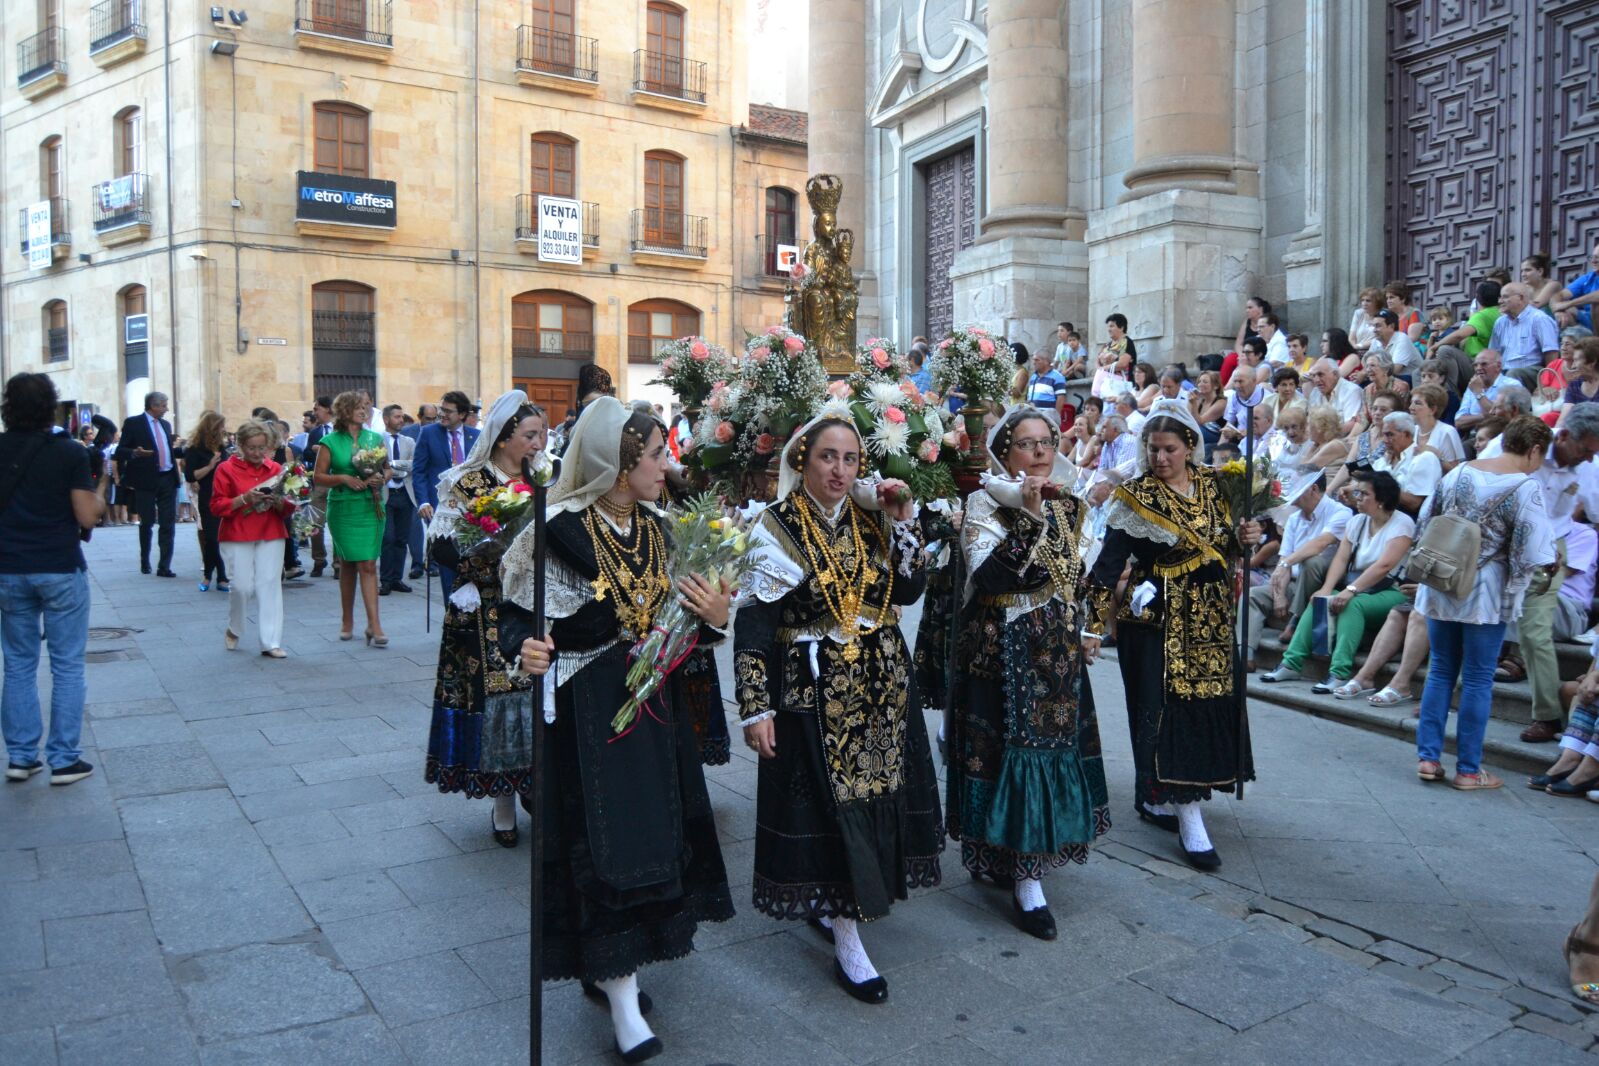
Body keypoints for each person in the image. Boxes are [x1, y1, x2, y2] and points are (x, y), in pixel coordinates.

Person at [495, 398, 732, 1062]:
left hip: (653, 710)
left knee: (652, 839)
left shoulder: (663, 529)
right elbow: (514, 616)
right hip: (588, 715)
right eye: (656, 453)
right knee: (604, 845)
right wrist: (527, 648)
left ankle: (620, 969)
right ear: (618, 462)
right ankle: (621, 994)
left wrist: (714, 613)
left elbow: (696, 618)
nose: (667, 464)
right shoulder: (557, 528)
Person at [733, 410, 941, 1003]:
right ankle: (848, 938)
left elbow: (905, 590)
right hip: (812, 697)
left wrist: (903, 524)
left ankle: (845, 905)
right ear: (803, 460)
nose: (840, 471)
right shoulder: (775, 526)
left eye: (850, 460)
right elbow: (754, 623)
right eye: (828, 457)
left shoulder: (870, 520)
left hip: (879, 690)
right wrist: (755, 705)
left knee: (873, 802)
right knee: (828, 812)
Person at [947, 408, 1108, 940]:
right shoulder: (983, 502)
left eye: (1047, 442)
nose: (1039, 452)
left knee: (1048, 757)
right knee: (998, 760)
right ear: (1004, 452)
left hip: (1055, 659)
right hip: (1001, 660)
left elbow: (1078, 577)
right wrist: (1030, 518)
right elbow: (989, 576)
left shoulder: (1070, 507)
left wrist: (1091, 628)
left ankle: (1027, 872)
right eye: (1026, 443)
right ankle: (1007, 863)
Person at [1083, 399, 1259, 870]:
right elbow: (1106, 566)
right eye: (1153, 449)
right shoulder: (1135, 496)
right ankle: (1187, 815)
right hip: (1157, 621)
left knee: (1206, 706)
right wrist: (1093, 626)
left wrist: (1246, 538)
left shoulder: (1217, 486)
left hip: (1212, 619)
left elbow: (1226, 546)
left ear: (1189, 448)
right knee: (1163, 712)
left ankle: (1161, 796)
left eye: (1169, 449)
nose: (1160, 458)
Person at [422, 392, 549, 846]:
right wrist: (475, 558)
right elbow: (440, 543)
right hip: (485, 605)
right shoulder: (467, 482)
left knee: (534, 693)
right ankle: (503, 802)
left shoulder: (544, 479)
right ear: (502, 439)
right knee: (498, 695)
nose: (539, 443)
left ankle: (536, 782)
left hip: (534, 603)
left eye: (541, 434)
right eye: (530, 435)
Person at [1415, 415, 1556, 788]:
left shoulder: (1459, 472)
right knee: (1477, 678)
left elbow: (1426, 520)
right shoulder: (1525, 486)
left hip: (1444, 578)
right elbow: (1533, 551)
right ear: (1535, 449)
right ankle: (1468, 770)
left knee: (1442, 669)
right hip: (1486, 589)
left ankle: (1428, 759)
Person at [0, 373, 102, 785]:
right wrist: (102, 488)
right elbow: (86, 515)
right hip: (59, 565)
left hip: (8, 567)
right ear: (51, 408)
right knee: (67, 665)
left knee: (18, 665)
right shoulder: (68, 452)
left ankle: (21, 757)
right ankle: (63, 759)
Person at [1262, 470, 1415, 695]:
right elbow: (1342, 558)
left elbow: (1384, 565)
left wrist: (1351, 590)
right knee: (1320, 601)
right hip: (1361, 586)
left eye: (1364, 494)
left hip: (1392, 588)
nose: (1358, 498)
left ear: (1381, 499)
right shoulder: (1358, 521)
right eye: (1357, 493)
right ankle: (1290, 664)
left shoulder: (1402, 523)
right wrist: (1326, 589)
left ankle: (1340, 672)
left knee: (1352, 604)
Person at [1244, 473, 1350, 671]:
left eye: (1300, 488)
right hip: (1295, 581)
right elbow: (1284, 559)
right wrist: (1278, 595)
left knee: (1312, 561)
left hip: (1324, 581)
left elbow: (1321, 544)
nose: (1293, 495)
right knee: (1253, 595)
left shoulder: (1340, 512)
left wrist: (1286, 564)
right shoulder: (1294, 518)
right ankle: (1245, 655)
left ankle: (1296, 620)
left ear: (1314, 489)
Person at [211, 420, 294, 659]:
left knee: (269, 585)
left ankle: (271, 641)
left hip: (271, 530)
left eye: (261, 448)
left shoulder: (276, 469)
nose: (257, 453)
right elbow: (216, 506)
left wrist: (278, 502)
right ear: (240, 446)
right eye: (251, 448)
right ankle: (235, 626)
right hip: (238, 532)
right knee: (241, 587)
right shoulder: (226, 469)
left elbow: (288, 506)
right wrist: (244, 499)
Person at [314, 391, 389, 646]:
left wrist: (382, 477)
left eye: (366, 406)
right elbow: (319, 477)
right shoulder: (330, 441)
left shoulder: (375, 438)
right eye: (359, 407)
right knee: (347, 562)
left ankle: (375, 625)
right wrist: (344, 478)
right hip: (344, 508)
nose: (364, 410)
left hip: (371, 506)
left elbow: (387, 468)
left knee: (368, 563)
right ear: (345, 410)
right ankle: (347, 620)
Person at [413, 391, 481, 599]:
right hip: (439, 509)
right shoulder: (428, 433)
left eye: (447, 411)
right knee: (447, 560)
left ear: (461, 414)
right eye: (441, 409)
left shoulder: (476, 436)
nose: (442, 414)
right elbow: (419, 471)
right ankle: (450, 607)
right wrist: (423, 501)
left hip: (471, 509)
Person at [116, 390, 180, 577]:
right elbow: (121, 450)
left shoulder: (166, 425)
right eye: (164, 405)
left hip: (167, 477)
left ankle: (164, 565)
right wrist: (135, 452)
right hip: (146, 479)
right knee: (147, 522)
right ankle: (145, 560)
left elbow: (168, 448)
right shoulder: (133, 423)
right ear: (153, 405)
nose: (166, 409)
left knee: (168, 522)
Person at [185, 411, 231, 593]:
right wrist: (210, 466)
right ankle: (221, 576)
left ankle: (209, 576)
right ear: (212, 428)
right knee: (212, 537)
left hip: (224, 496)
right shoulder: (194, 449)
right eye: (221, 426)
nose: (224, 430)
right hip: (208, 496)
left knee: (219, 537)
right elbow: (190, 475)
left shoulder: (222, 448)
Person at [377, 404, 417, 595]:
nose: (401, 420)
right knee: (387, 538)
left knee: (402, 539)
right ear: (386, 419)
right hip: (386, 495)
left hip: (405, 494)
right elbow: (375, 466)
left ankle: (396, 578)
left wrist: (391, 465)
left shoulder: (409, 441)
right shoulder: (376, 440)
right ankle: (385, 580)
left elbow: (414, 464)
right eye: (397, 417)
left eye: (402, 417)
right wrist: (395, 469)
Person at [1375, 412, 1442, 517]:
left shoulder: (1424, 458)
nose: (1385, 440)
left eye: (1389, 435)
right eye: (1384, 434)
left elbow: (1415, 503)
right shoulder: (1381, 461)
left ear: (1407, 434)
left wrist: (1380, 486)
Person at [1485, 282, 1560, 372]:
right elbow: (1493, 353)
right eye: (1500, 297)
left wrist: (1548, 380)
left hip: (1531, 371)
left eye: (1505, 297)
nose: (1500, 301)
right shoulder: (1500, 322)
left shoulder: (1539, 319)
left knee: (1513, 373)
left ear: (1520, 298)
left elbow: (1551, 352)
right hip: (1504, 372)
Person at [301, 396, 334, 576]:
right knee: (313, 524)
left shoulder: (341, 430)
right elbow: (306, 453)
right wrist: (315, 450)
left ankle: (339, 564)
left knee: (337, 523)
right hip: (319, 483)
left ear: (328, 409)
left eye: (317, 409)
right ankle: (319, 560)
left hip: (336, 481)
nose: (315, 413)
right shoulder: (316, 432)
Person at [1455, 347, 1516, 436]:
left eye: (1484, 364)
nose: (1478, 368)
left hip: (1500, 436)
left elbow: (1501, 418)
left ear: (1498, 366)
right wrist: (1484, 416)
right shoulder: (1472, 387)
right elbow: (1459, 422)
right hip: (1473, 436)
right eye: (1475, 365)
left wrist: (1479, 393)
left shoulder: (1511, 384)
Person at [1408, 385, 1465, 473]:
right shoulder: (1412, 430)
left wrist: (1436, 454)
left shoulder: (1447, 432)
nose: (1411, 407)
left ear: (1433, 409)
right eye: (1411, 402)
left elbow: (1455, 472)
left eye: (1417, 403)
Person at [1305, 358, 1364, 435]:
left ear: (1335, 374)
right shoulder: (1315, 392)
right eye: (1313, 376)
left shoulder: (1351, 391)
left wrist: (1326, 437)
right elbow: (1310, 423)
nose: (1316, 380)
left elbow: (1350, 424)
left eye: (1320, 374)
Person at [1551, 241, 1599, 330]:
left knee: (1596, 305)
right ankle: (1570, 342)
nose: (1593, 261)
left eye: (1597, 258)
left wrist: (1568, 304)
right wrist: (1558, 311)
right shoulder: (1588, 278)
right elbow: (1559, 295)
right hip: (1590, 324)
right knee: (1568, 311)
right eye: (1592, 257)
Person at [1023, 347, 1068, 414]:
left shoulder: (1057, 377)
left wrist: (1055, 417)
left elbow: (1061, 399)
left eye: (1037, 360)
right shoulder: (1033, 377)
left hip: (1048, 418)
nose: (1034, 363)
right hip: (1032, 416)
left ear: (1046, 362)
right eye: (1033, 360)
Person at [1348, 287, 1384, 352]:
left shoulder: (1383, 315)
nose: (1364, 303)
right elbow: (1351, 337)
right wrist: (1354, 348)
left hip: (1375, 352)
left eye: (1368, 301)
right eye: (1362, 300)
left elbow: (1379, 339)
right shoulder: (1358, 313)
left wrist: (1358, 346)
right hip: (1356, 350)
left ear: (1377, 302)